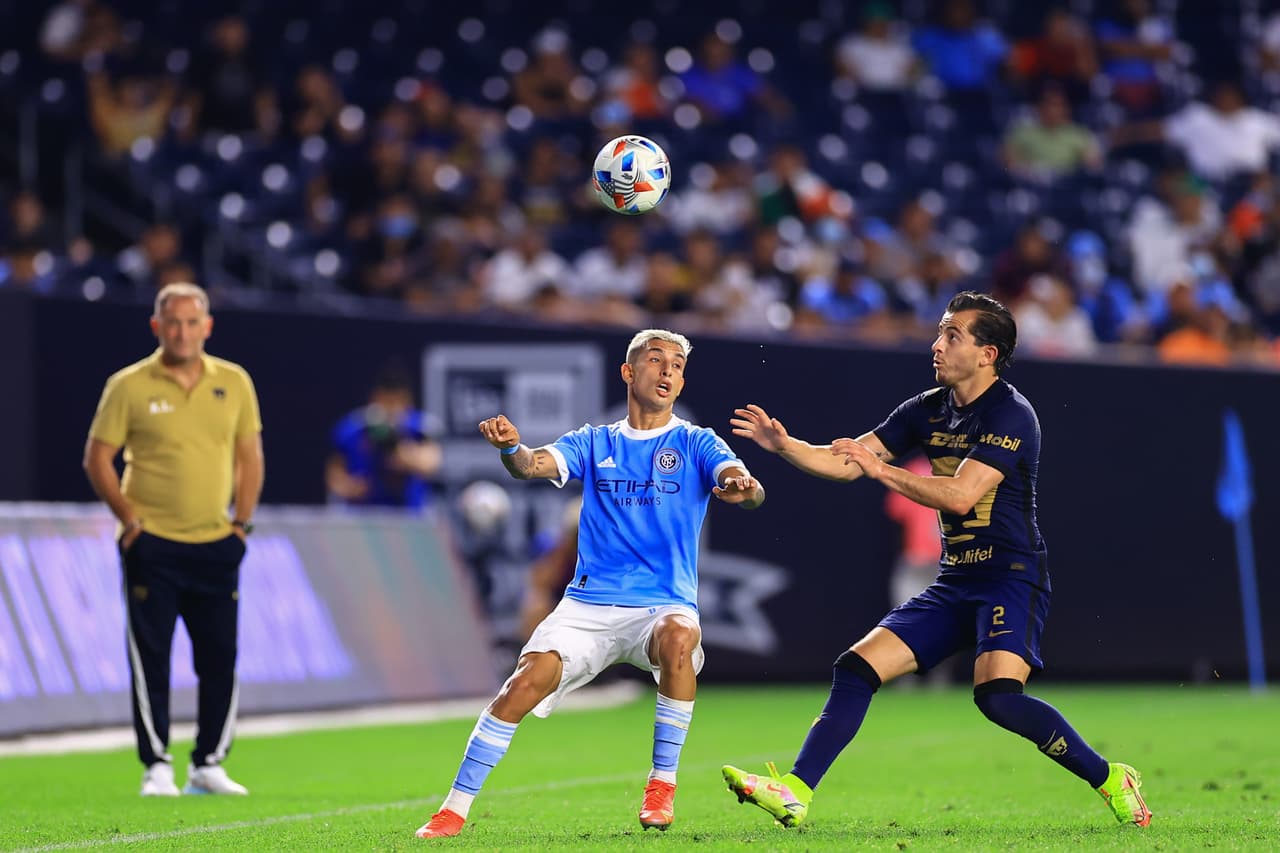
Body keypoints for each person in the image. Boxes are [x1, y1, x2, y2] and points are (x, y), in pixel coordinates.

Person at [720, 292, 1152, 830]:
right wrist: (785, 445)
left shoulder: (1012, 414)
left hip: (1009, 576)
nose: (937, 344)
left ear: (987, 354)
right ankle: (795, 791)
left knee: (997, 698)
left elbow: (959, 496)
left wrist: (882, 472)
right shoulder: (927, 408)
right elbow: (850, 461)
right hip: (957, 578)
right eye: (940, 332)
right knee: (856, 667)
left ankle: (1111, 778)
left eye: (952, 335)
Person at [415, 328, 765, 839]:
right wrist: (511, 448)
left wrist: (744, 487)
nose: (668, 371)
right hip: (587, 608)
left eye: (676, 365)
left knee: (678, 637)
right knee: (522, 685)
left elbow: (744, 485)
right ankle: (453, 808)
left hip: (661, 605)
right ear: (628, 372)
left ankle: (661, 785)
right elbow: (531, 466)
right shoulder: (595, 441)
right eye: (655, 360)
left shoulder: (695, 441)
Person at [82, 282, 263, 797]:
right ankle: (156, 763)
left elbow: (250, 457)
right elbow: (98, 458)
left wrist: (241, 525)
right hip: (153, 542)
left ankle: (208, 762)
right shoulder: (129, 385)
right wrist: (130, 521)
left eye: (192, 322)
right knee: (151, 655)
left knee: (219, 656)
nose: (182, 332)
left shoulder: (234, 381)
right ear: (156, 327)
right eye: (173, 322)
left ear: (207, 327)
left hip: (215, 542)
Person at [325, 364, 441, 509]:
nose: (392, 410)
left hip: (409, 515)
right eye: (387, 402)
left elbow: (431, 464)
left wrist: (405, 456)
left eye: (398, 403)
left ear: (408, 401)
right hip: (362, 514)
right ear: (375, 398)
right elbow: (334, 475)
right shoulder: (352, 428)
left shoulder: (420, 428)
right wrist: (350, 487)